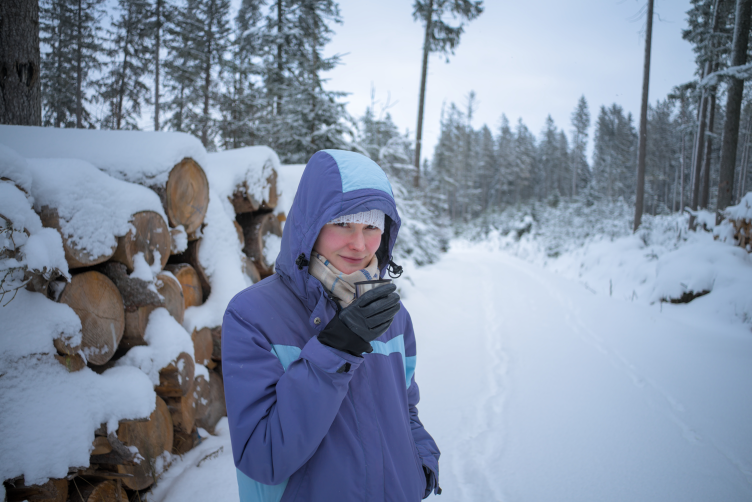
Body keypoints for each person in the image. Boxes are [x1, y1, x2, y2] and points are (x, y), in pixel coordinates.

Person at [222, 149, 441, 502]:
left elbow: (406, 407)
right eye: (342, 224)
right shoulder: (252, 315)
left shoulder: (393, 315)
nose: (359, 244)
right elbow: (262, 457)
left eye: (372, 227)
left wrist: (422, 461)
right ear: (311, 224)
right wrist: (337, 347)